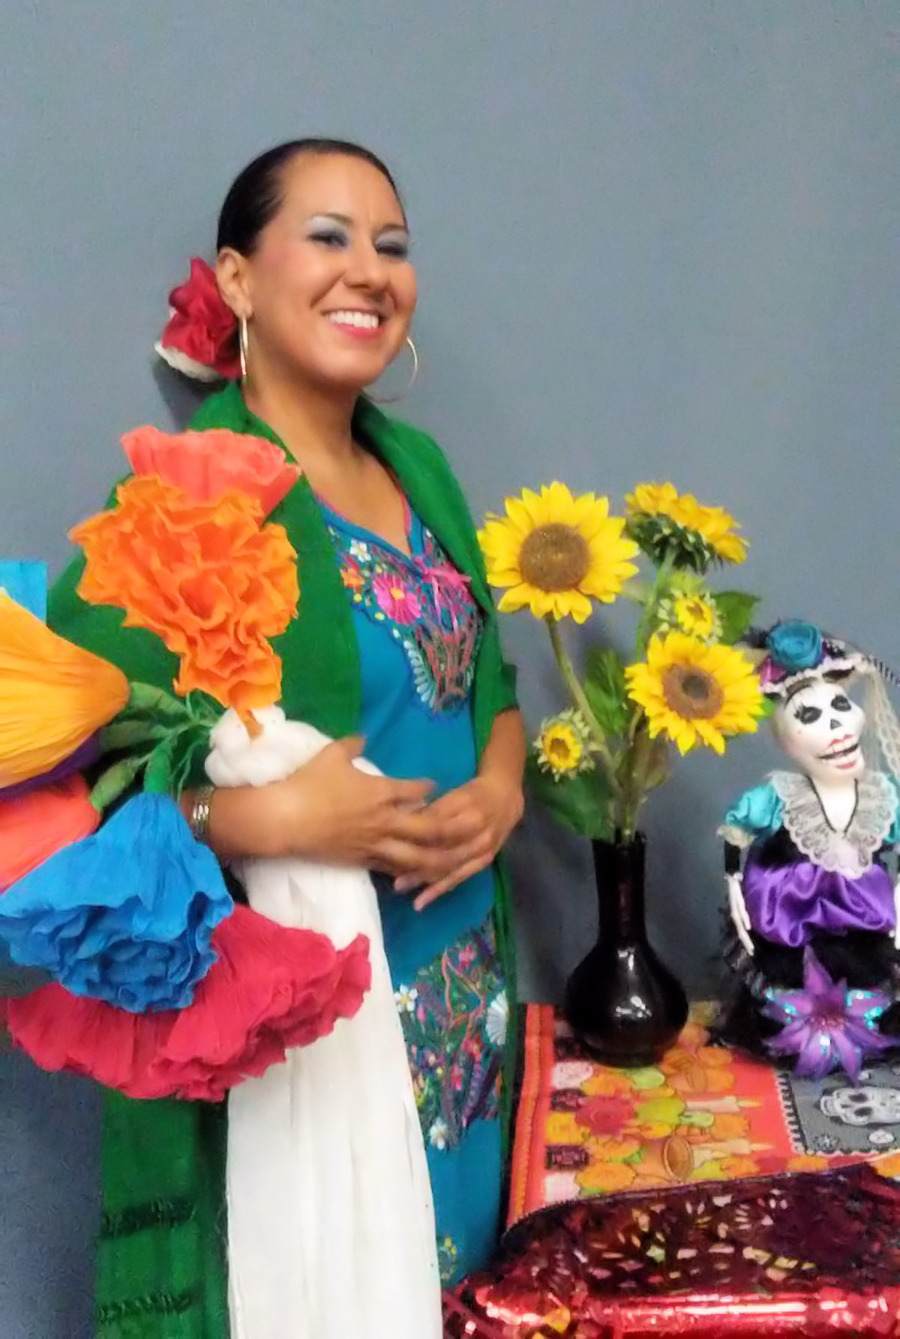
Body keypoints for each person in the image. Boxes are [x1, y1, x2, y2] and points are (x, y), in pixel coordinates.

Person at [49, 138, 526, 1335]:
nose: (369, 269)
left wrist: (507, 784)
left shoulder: (415, 467)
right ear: (239, 277)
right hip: (305, 1043)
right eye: (328, 235)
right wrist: (264, 819)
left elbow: (490, 687)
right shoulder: (185, 498)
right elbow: (63, 803)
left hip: (460, 1019)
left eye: (392, 244)